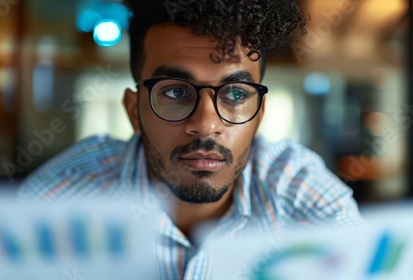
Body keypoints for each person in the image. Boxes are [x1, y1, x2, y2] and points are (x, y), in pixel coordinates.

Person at [18, 0, 364, 278]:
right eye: (176, 91)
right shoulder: (58, 206)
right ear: (134, 110)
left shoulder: (303, 201)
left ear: (259, 115)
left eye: (236, 94)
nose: (205, 124)